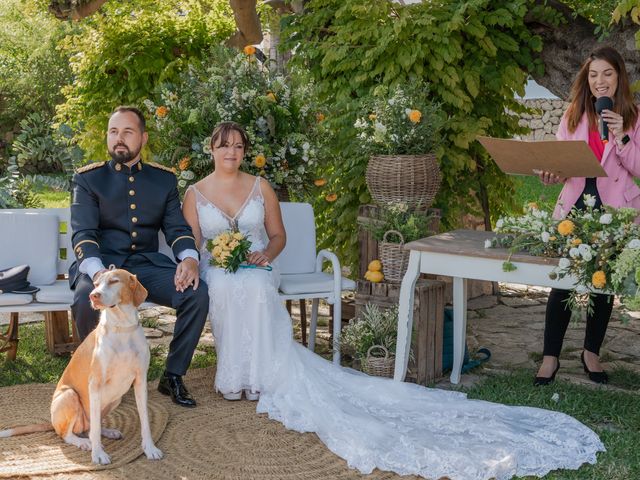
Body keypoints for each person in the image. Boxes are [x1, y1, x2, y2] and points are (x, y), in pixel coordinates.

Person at [182, 121, 604, 479]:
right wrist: (210, 260)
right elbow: (194, 243)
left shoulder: (261, 187)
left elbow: (277, 237)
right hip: (218, 266)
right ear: (212, 150)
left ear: (245, 151)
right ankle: (232, 376)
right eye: (225, 146)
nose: (232, 152)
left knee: (256, 286)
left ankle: (261, 376)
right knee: (221, 286)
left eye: (238, 146)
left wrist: (262, 257)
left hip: (258, 264)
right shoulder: (195, 193)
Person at [69, 106, 209, 408]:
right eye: (114, 132)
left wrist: (189, 259)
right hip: (101, 264)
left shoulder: (163, 181)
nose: (119, 138)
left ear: (143, 138)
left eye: (127, 132)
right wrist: (98, 277)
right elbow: (84, 234)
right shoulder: (88, 180)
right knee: (84, 300)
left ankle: (172, 375)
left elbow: (178, 228)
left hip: (145, 266)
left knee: (196, 293)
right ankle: (94, 375)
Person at [534, 46, 640, 386]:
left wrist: (622, 134)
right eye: (594, 75)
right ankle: (550, 358)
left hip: (614, 210)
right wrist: (552, 175)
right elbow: (563, 167)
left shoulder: (634, 117)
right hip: (576, 206)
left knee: (602, 285)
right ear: (587, 79)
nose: (600, 81)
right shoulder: (572, 116)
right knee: (563, 282)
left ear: (619, 77)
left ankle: (590, 353)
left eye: (607, 73)